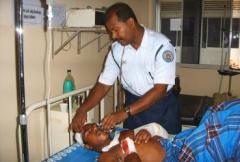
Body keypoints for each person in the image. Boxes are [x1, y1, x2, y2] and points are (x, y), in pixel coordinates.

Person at [70, 2, 181, 134]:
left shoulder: (161, 46)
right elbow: (104, 85)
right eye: (111, 31)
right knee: (130, 149)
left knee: (165, 150)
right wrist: (82, 109)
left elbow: (159, 90)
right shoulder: (117, 50)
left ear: (130, 23)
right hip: (134, 108)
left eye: (116, 30)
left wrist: (124, 113)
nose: (113, 36)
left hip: (161, 108)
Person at [78, 122, 167, 162]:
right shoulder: (106, 157)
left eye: (96, 125)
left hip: (174, 146)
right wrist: (129, 149)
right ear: (88, 146)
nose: (95, 128)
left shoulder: (124, 133)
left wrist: (148, 130)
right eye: (89, 132)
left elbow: (158, 128)